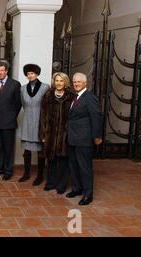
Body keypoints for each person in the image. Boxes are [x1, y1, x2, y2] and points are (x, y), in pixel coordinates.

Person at [66, 72, 103, 206]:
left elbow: (96, 117)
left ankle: (88, 194)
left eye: (79, 82)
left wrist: (97, 136)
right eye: (74, 82)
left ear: (85, 83)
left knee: (84, 167)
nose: (76, 84)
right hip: (72, 138)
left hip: (84, 138)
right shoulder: (75, 97)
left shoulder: (89, 98)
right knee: (74, 165)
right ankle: (77, 189)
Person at [39, 72, 74, 194]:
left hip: (65, 135)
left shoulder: (71, 97)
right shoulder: (47, 96)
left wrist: (70, 134)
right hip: (50, 135)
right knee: (51, 160)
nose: (59, 83)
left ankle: (61, 185)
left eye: (61, 81)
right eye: (57, 80)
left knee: (63, 161)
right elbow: (42, 116)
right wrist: (43, 134)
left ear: (65, 82)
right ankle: (50, 183)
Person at [19, 64, 50, 184]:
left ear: (37, 74)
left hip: (39, 121)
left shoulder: (45, 87)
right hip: (27, 121)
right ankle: (26, 173)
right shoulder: (22, 88)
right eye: (28, 74)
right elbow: (23, 104)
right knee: (27, 150)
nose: (30, 76)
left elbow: (47, 105)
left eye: (32, 73)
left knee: (40, 150)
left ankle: (40, 175)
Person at [0, 61, 22, 181]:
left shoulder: (15, 84)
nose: (0, 73)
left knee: (8, 148)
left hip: (8, 123)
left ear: (6, 71)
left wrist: (11, 116)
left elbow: (18, 104)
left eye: (2, 70)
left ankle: (8, 171)